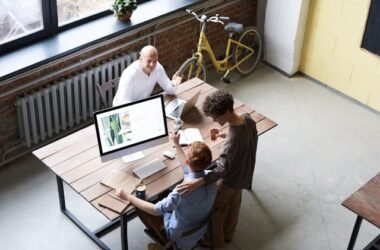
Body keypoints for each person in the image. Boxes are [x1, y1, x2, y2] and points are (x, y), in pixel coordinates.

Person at [177, 89, 258, 248]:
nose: (214, 120)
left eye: (215, 116)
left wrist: (198, 182)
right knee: (235, 204)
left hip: (231, 179)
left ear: (226, 112)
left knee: (214, 208)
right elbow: (243, 136)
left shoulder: (231, 143)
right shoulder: (247, 119)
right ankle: (228, 235)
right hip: (245, 173)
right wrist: (225, 135)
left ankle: (216, 242)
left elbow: (220, 169)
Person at [116, 132, 217, 250]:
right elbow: (187, 170)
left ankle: (161, 242)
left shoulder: (182, 190)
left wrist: (128, 197)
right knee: (165, 194)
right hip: (197, 230)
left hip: (179, 237)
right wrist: (176, 144)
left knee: (140, 206)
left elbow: (155, 210)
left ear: (187, 161)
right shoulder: (211, 177)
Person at [112, 45, 181, 106]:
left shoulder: (158, 68)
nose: (152, 65)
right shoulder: (129, 74)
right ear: (141, 60)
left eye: (155, 61)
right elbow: (124, 104)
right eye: (149, 61)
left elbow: (170, 91)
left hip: (143, 105)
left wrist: (173, 83)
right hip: (123, 110)